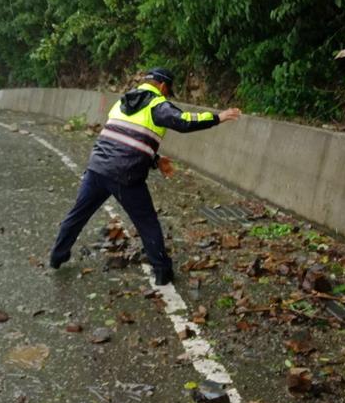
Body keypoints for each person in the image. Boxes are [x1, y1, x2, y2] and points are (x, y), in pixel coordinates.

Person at [49, 67, 242, 285]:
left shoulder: (122, 102)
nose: (167, 95)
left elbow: (125, 137)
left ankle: (57, 255)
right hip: (126, 175)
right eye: (168, 90)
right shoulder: (157, 105)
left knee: (78, 214)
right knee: (147, 222)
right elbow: (184, 121)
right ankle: (162, 272)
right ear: (162, 85)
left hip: (97, 168)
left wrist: (156, 159)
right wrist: (219, 117)